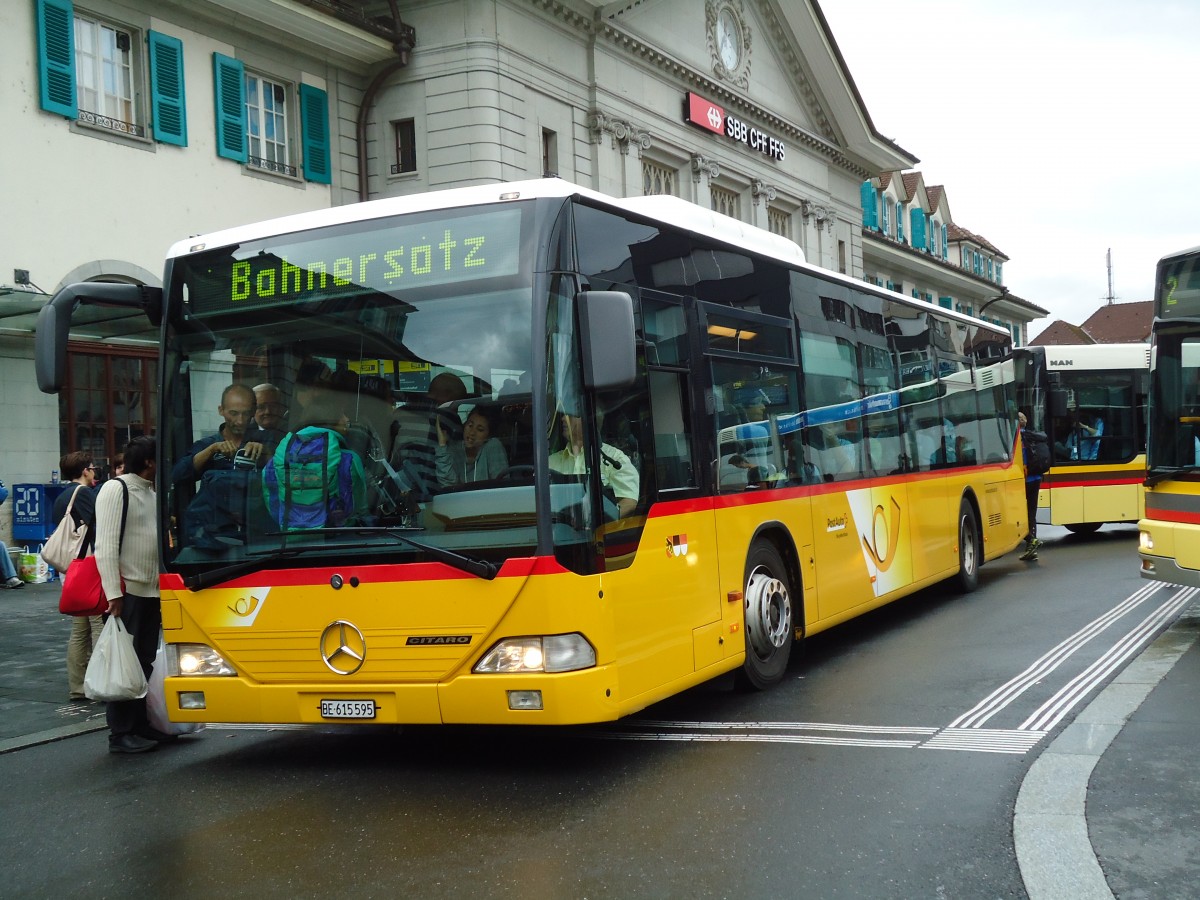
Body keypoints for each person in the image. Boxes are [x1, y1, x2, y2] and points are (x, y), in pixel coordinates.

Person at [95, 435, 170, 754]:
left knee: (143, 661)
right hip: (127, 593)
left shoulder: (151, 492)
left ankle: (140, 726)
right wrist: (113, 592)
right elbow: (106, 547)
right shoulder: (117, 488)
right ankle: (120, 733)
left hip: (150, 591)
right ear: (150, 462)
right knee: (123, 663)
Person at [172, 384, 267, 549]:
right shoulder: (207, 445)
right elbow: (178, 475)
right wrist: (211, 451)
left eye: (246, 413)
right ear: (221, 410)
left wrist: (266, 453)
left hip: (258, 537)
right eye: (234, 413)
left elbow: (286, 474)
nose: (240, 420)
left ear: (254, 411)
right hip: (215, 540)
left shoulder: (266, 441)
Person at [52, 451, 101, 700]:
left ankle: (77, 685)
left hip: (70, 570)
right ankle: (104, 682)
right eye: (93, 468)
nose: (94, 473)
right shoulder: (83, 494)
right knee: (98, 625)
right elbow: (100, 525)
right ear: (85, 471)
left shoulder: (61, 497)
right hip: (88, 568)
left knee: (79, 629)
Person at [389, 372, 468, 498]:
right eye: (456, 404)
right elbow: (460, 462)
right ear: (447, 395)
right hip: (437, 497)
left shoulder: (399, 414)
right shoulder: (449, 417)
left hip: (399, 494)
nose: (456, 410)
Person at [549, 412, 639, 518]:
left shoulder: (615, 458)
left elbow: (629, 503)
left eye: (569, 415)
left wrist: (599, 520)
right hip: (558, 530)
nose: (563, 419)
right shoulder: (550, 462)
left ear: (587, 421)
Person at [435, 405, 508, 486]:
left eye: (480, 429)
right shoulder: (455, 449)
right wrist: (442, 445)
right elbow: (448, 485)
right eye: (470, 425)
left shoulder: (492, 445)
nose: (472, 432)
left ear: (488, 436)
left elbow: (501, 484)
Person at [1018, 411, 1043, 562]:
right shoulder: (1031, 436)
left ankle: (1031, 540)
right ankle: (1032, 547)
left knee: (1019, 512)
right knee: (1031, 512)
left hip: (1025, 480)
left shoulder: (1017, 438)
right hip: (1037, 478)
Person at [246, 382, 288, 450]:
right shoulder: (243, 433)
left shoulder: (292, 432)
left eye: (273, 406)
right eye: (261, 407)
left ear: (281, 407)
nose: (267, 411)